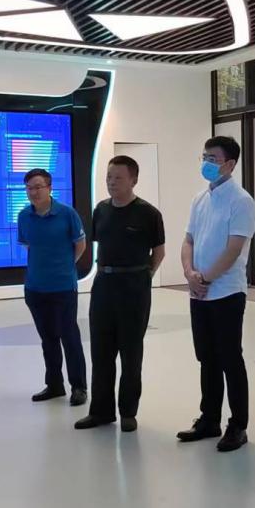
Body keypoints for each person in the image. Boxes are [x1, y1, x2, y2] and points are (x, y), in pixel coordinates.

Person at [75, 155, 166, 432]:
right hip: (104, 284)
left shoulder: (148, 213)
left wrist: (145, 276)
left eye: (118, 178)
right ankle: (101, 411)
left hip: (134, 287)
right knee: (101, 352)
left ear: (133, 180)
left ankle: (128, 412)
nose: (111, 182)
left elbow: (159, 252)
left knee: (131, 352)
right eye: (109, 177)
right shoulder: (101, 210)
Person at [178, 136, 255, 453]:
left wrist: (206, 278)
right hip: (200, 293)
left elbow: (234, 249)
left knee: (229, 358)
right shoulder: (200, 199)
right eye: (204, 157)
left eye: (213, 159)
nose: (207, 163)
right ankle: (209, 418)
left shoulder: (241, 201)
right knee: (206, 358)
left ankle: (238, 425)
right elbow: (188, 240)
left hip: (226, 291)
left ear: (230, 164)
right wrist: (189, 273)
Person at [17, 168, 88, 407]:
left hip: (63, 287)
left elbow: (80, 245)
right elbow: (29, 246)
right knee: (48, 339)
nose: (33, 192)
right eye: (29, 188)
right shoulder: (24, 216)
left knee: (70, 337)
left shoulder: (67, 214)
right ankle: (55, 385)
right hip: (35, 288)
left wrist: (65, 266)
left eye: (38, 187)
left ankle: (79, 386)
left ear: (49, 188)